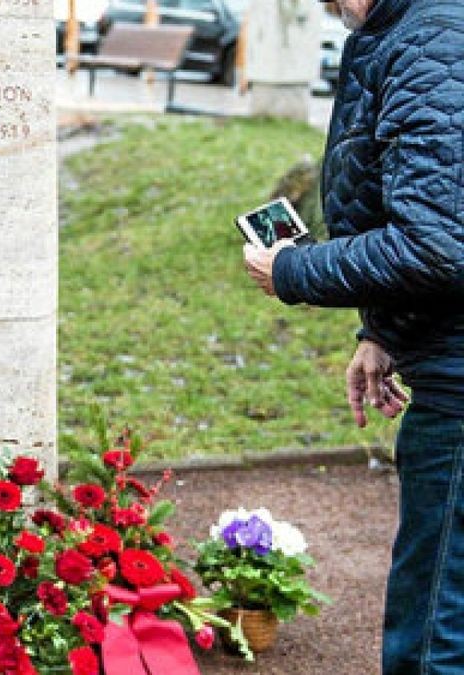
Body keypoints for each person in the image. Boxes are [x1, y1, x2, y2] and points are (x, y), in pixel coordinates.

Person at [242, 0, 464, 672]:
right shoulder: (426, 28)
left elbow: (434, 245)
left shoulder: (430, 39)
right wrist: (383, 330)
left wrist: (293, 269)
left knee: (434, 628)